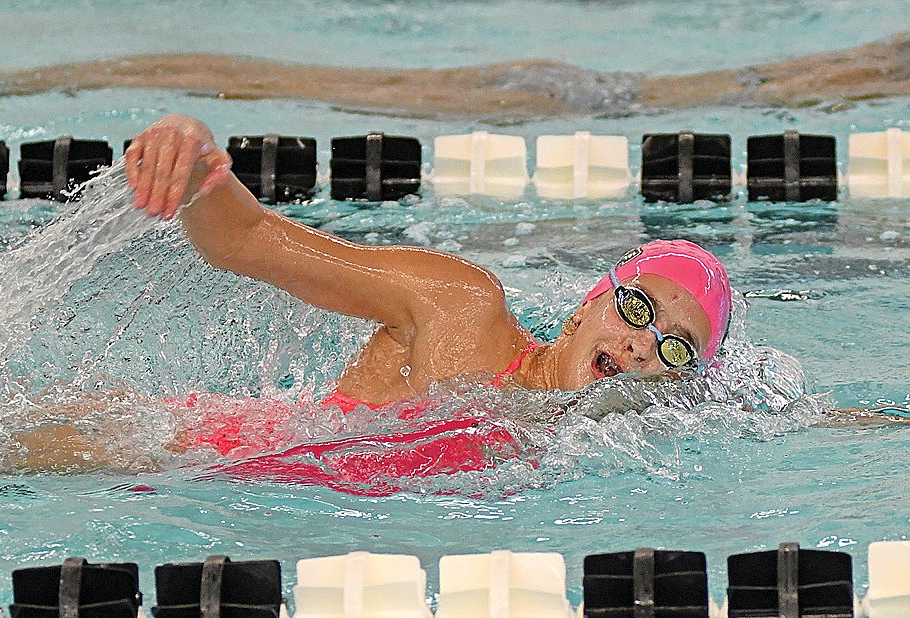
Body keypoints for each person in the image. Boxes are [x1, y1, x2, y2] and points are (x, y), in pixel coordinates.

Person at [125, 114, 732, 416]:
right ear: (582, 312)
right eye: (637, 308)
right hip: (191, 452)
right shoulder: (460, 307)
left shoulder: (596, 451)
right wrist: (197, 157)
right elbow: (249, 239)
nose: (640, 345)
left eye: (675, 347)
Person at [0, 34, 909, 118]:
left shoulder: (859, 69)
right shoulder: (871, 75)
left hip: (569, 92)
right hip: (547, 105)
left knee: (268, 82)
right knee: (262, 83)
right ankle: (12, 84)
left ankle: (19, 82)